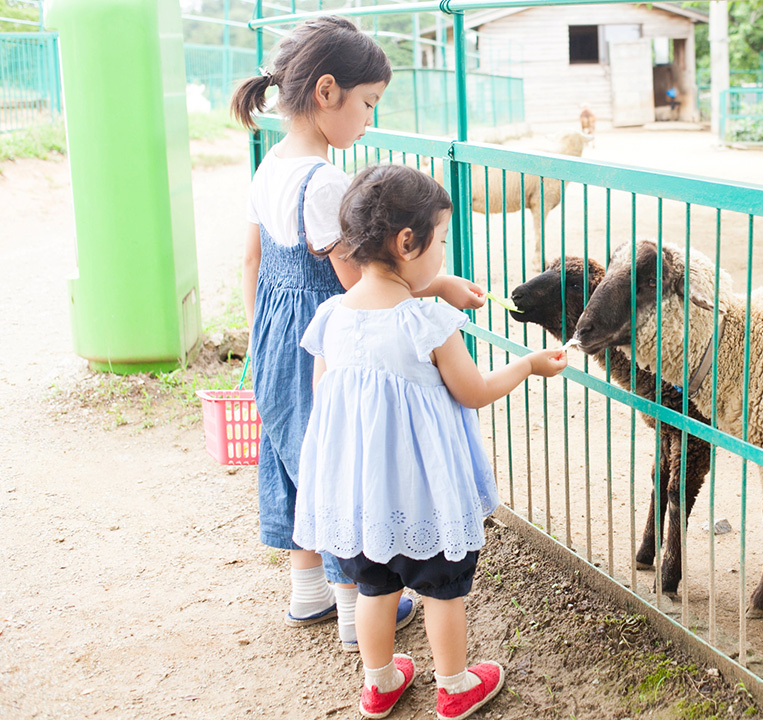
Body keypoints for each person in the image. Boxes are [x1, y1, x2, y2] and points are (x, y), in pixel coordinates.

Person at [230, 16, 485, 652]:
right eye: (368, 103)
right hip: (331, 332)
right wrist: (440, 289)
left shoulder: (270, 165)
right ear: (326, 92)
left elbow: (251, 261)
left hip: (275, 323)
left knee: (301, 455)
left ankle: (306, 588)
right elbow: (364, 287)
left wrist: (261, 335)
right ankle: (354, 604)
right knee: (348, 460)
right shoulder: (325, 182)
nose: (369, 119)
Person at [293, 164, 567, 720]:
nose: (443, 251)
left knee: (374, 589)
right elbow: (473, 391)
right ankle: (455, 685)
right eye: (440, 240)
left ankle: (379, 683)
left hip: (362, 498)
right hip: (426, 496)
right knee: (442, 588)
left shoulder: (330, 318)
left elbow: (327, 404)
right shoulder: (428, 324)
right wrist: (526, 366)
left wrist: (437, 286)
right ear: (407, 242)